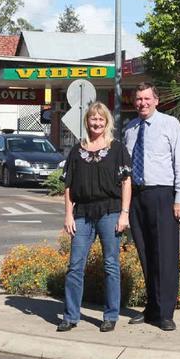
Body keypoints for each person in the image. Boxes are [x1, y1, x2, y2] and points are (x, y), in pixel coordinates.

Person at [57, 102, 132, 333]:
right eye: (93, 119)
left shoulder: (117, 149)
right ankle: (70, 316)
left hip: (110, 211)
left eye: (101, 119)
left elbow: (126, 182)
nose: (97, 123)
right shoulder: (76, 150)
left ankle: (110, 316)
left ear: (107, 121)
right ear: (86, 121)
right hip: (81, 213)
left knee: (110, 265)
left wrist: (124, 214)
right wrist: (68, 214)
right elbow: (68, 184)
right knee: (74, 266)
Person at [123, 82, 180, 331]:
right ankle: (151, 308)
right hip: (137, 197)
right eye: (138, 99)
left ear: (156, 100)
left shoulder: (170, 124)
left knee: (165, 255)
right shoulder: (130, 128)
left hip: (163, 195)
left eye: (147, 98)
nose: (143, 103)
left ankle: (165, 312)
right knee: (146, 253)